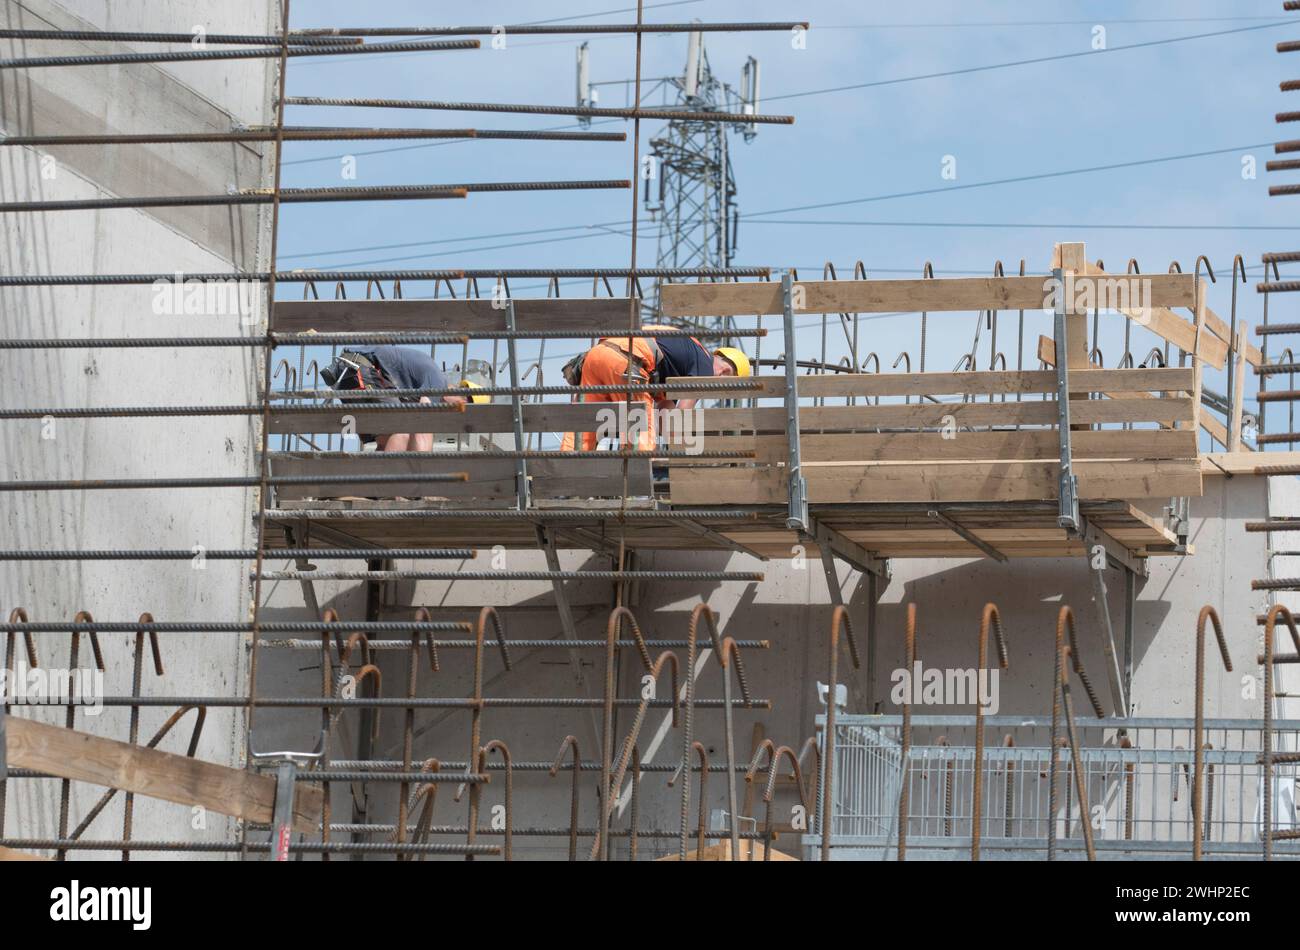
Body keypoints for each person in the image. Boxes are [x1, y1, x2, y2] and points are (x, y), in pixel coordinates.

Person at [559, 326, 751, 451]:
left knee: (583, 431)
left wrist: (671, 439)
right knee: (640, 433)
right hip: (626, 361)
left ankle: (562, 479)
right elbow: (681, 417)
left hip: (597, 356)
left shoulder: (686, 356)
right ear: (725, 371)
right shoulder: (706, 368)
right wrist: (684, 455)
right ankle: (635, 493)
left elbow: (666, 412)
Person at [324, 345, 484, 451]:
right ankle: (388, 490)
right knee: (402, 428)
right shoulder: (438, 382)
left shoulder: (421, 386)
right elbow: (422, 427)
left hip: (346, 373)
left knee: (385, 439)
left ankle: (374, 488)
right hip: (360, 368)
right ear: (463, 400)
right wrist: (421, 482)